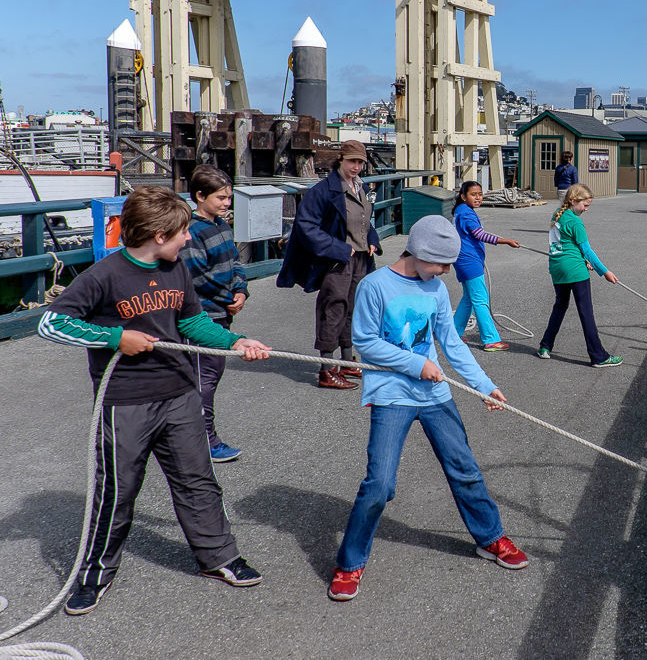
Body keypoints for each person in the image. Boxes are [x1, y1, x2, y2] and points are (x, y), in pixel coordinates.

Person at [37, 185, 271, 616]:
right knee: (118, 490)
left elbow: (193, 321)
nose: (188, 239)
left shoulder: (177, 270)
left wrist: (236, 342)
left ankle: (217, 557)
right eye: (182, 232)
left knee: (198, 480)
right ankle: (95, 573)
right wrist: (114, 337)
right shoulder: (104, 275)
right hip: (124, 402)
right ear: (159, 235)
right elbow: (52, 324)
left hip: (179, 393)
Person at [328, 215, 528, 602]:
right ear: (418, 253)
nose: (446, 272)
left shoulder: (435, 289)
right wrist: (416, 364)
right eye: (440, 263)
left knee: (465, 468)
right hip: (392, 394)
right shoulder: (374, 285)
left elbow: (451, 343)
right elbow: (364, 342)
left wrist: (485, 386)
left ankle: (490, 538)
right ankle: (350, 563)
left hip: (435, 396)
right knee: (379, 484)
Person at [277, 139, 381, 390]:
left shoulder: (362, 188)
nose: (356, 167)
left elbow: (366, 220)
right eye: (351, 161)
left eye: (360, 162)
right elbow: (305, 227)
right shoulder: (323, 191)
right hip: (337, 259)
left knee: (353, 308)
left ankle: (346, 361)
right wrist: (339, 249)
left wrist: (373, 240)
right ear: (340, 160)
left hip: (360, 258)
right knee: (333, 308)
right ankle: (326, 369)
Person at [180, 164, 249, 463]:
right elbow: (195, 274)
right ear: (199, 196)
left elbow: (236, 261)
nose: (226, 203)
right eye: (220, 198)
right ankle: (205, 440)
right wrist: (227, 297)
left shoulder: (222, 225)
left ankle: (198, 437)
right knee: (204, 377)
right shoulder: (192, 230)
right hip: (206, 313)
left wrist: (242, 290)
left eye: (228, 198)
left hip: (223, 308)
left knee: (211, 374)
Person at [536, 184, 622, 367]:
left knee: (560, 306)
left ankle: (545, 346)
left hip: (557, 267)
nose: (586, 209)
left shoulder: (557, 214)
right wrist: (604, 271)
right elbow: (587, 250)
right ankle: (599, 356)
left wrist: (582, 259)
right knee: (586, 312)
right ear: (574, 201)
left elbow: (563, 245)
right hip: (575, 270)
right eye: (585, 205)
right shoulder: (575, 222)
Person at [452, 180, 520, 351]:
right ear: (463, 196)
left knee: (468, 298)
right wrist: (506, 241)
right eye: (473, 195)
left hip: (464, 260)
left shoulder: (462, 210)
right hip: (469, 261)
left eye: (480, 194)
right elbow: (479, 234)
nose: (478, 198)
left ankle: (453, 333)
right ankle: (490, 340)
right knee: (481, 300)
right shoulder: (466, 213)